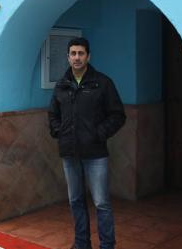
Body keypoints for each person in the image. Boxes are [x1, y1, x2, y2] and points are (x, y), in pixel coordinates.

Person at [48, 37, 126, 249]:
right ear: (68, 57)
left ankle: (107, 245)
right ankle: (82, 243)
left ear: (88, 56)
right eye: (73, 53)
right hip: (69, 152)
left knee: (101, 203)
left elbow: (118, 115)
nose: (77, 58)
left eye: (81, 53)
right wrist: (59, 132)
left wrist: (98, 133)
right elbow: (53, 114)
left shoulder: (102, 83)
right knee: (75, 201)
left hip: (95, 154)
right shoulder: (62, 85)